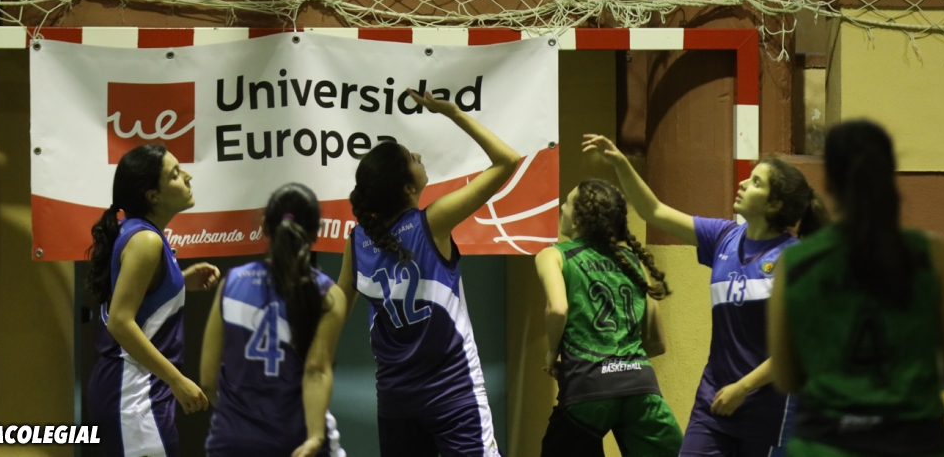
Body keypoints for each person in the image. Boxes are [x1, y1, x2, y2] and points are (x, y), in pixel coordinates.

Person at [582, 134, 827, 457]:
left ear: (774, 205)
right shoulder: (723, 237)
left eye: (756, 182)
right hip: (715, 398)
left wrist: (743, 388)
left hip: (768, 409)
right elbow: (654, 211)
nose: (743, 183)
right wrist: (621, 163)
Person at [769, 119, 944, 457]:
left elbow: (786, 377)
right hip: (915, 443)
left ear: (828, 183)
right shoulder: (931, 255)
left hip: (823, 444)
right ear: (889, 175)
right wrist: (906, 386)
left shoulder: (796, 263)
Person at [336, 89, 521, 457]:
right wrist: (453, 113)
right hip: (453, 393)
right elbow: (508, 161)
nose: (419, 157)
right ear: (408, 187)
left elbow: (334, 309)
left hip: (396, 401)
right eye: (411, 158)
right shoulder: (432, 222)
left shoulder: (356, 241)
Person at [86, 143, 221, 457]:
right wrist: (177, 380)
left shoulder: (139, 232)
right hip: (132, 393)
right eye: (174, 174)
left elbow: (137, 298)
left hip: (137, 389)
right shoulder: (146, 240)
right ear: (153, 196)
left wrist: (179, 281)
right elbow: (120, 321)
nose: (187, 176)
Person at [536, 178, 683, 457]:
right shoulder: (632, 261)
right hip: (640, 384)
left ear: (578, 218)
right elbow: (657, 343)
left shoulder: (554, 255)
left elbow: (558, 309)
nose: (561, 208)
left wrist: (552, 353)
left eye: (567, 203)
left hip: (587, 387)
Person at [201, 182, 348, 457]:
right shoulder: (327, 294)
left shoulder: (230, 283)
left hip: (231, 441)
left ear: (265, 228)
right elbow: (316, 370)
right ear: (316, 232)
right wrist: (315, 437)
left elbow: (208, 380)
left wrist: (240, 423)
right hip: (296, 440)